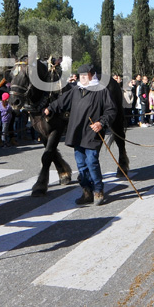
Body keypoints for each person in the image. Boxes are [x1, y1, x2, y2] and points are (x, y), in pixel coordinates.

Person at [44, 63, 116, 206]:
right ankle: (86, 191)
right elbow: (61, 101)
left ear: (92, 75)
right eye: (80, 75)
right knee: (81, 165)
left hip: (92, 132)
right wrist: (49, 108)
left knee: (92, 162)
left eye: (85, 75)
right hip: (77, 132)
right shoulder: (76, 90)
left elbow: (111, 110)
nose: (82, 78)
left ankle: (98, 190)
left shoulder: (101, 91)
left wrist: (101, 123)